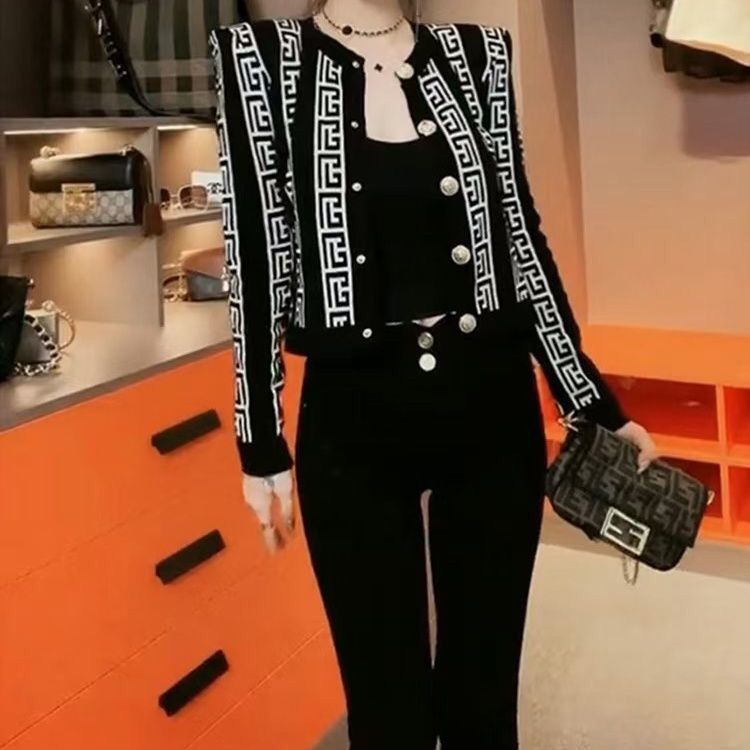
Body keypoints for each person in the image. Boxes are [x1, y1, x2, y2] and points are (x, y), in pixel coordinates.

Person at [209, 1, 658, 747]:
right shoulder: (263, 58)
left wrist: (592, 402)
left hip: (490, 410)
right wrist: (259, 438)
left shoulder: (479, 55)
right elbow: (255, 250)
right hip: (353, 422)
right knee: (386, 708)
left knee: (484, 697)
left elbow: (518, 237)